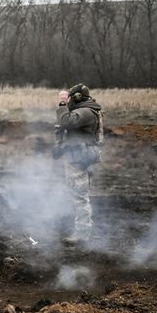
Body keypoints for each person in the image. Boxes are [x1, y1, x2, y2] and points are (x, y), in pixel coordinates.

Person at [55, 83, 104, 245]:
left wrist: (62, 104)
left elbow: (66, 121)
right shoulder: (90, 110)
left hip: (78, 159)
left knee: (79, 197)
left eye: (71, 98)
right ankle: (82, 228)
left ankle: (82, 233)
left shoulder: (85, 112)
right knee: (79, 194)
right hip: (80, 156)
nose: (69, 100)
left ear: (77, 97)